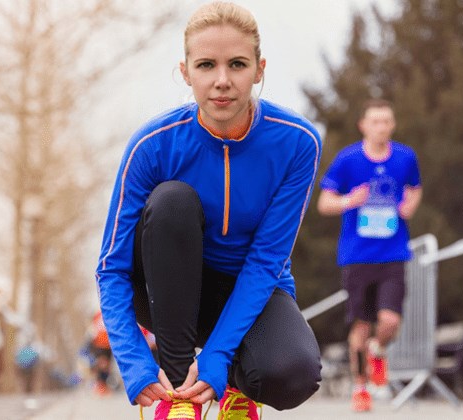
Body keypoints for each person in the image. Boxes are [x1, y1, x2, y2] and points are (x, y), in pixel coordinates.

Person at [94, 2, 323, 419]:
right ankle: (180, 394)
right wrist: (134, 363)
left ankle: (237, 387)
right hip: (166, 290)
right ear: (186, 72)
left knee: (295, 372)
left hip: (252, 286)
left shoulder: (298, 143)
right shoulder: (152, 145)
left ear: (259, 69)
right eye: (206, 65)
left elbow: (266, 261)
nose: (222, 81)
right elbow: (111, 268)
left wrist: (218, 358)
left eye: (237, 64)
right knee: (172, 201)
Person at [316, 98, 422, 412]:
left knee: (389, 320)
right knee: (361, 326)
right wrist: (350, 200)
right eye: (375, 121)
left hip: (393, 252)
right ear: (363, 125)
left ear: (393, 124)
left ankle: (379, 350)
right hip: (357, 256)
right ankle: (360, 388)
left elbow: (415, 187)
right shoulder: (348, 159)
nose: (381, 127)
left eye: (386, 121)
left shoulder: (405, 157)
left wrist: (409, 206)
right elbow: (324, 203)